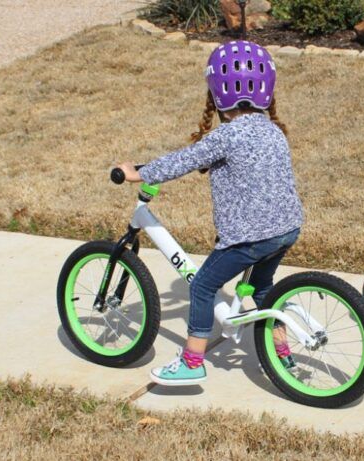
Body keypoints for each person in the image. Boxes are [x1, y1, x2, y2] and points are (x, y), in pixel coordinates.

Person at [116, 40, 304, 385]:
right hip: (287, 228)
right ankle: (282, 354)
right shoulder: (274, 130)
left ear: (217, 92)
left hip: (250, 237)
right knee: (264, 290)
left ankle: (191, 362)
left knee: (202, 286)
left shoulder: (226, 135)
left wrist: (138, 173)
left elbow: (183, 160)